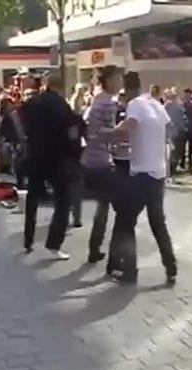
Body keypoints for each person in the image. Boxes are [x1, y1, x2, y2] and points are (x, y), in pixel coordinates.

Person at [109, 71, 177, 285]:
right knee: (158, 222)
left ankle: (129, 271)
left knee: (126, 221)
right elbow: (170, 129)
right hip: (158, 173)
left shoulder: (135, 105)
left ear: (128, 89)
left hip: (141, 173)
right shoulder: (155, 104)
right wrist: (151, 142)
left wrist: (107, 132)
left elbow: (128, 128)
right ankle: (170, 266)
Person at [22, 72, 77, 259]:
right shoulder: (62, 106)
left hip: (35, 155)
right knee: (63, 200)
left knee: (33, 197)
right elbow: (72, 132)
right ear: (61, 86)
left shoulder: (32, 102)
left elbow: (19, 120)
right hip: (56, 158)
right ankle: (54, 243)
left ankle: (28, 239)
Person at [80, 65, 121, 270]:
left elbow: (91, 130)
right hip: (102, 161)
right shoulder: (108, 104)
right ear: (110, 80)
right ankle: (106, 252)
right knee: (116, 208)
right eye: (118, 79)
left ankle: (95, 248)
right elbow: (105, 132)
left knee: (103, 206)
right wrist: (122, 132)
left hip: (91, 158)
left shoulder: (97, 100)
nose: (120, 83)